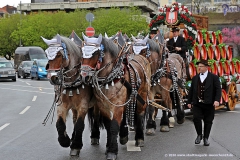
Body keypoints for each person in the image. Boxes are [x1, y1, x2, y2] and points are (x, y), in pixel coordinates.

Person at [187, 59, 221, 146]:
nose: (199, 68)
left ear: (206, 67)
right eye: (198, 66)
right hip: (198, 103)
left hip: (209, 103)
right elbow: (191, 91)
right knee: (196, 119)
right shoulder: (195, 78)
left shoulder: (214, 77)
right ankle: (199, 135)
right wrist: (189, 101)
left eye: (201, 66)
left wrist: (217, 100)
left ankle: (206, 138)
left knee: (208, 121)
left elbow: (218, 90)